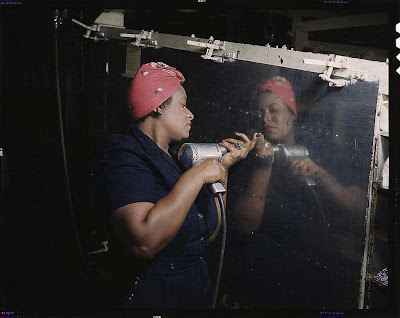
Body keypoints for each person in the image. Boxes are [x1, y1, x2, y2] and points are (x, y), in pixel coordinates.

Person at [103, 62, 257, 309]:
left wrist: (223, 169)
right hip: (152, 299)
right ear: (159, 106)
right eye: (183, 105)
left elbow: (211, 233)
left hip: (193, 292)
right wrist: (195, 177)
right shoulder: (125, 155)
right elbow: (143, 242)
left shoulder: (176, 159)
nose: (190, 114)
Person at [226, 76, 366, 308]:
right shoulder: (248, 159)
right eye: (259, 112)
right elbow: (245, 225)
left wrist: (320, 175)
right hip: (262, 278)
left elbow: (360, 206)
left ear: (292, 114)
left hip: (313, 276)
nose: (266, 118)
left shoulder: (318, 149)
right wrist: (263, 167)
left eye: (274, 110)